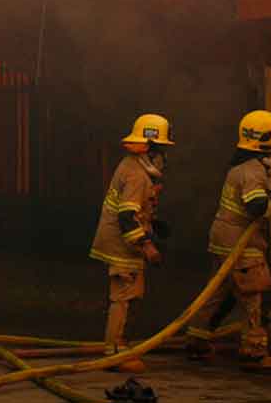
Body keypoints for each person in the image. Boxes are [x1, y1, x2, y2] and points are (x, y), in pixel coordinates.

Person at [186, 109, 271, 370]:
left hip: (224, 241)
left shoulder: (242, 168)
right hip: (243, 245)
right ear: (266, 140)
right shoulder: (253, 171)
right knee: (257, 295)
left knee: (221, 293)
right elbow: (256, 206)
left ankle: (197, 342)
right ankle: (254, 352)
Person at [89, 113, 173, 373]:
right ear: (149, 148)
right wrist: (147, 245)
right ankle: (115, 352)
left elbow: (135, 210)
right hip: (121, 245)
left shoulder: (132, 166)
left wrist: (153, 224)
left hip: (119, 241)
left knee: (128, 296)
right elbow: (126, 217)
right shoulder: (137, 174)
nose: (164, 158)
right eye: (160, 150)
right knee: (123, 297)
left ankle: (119, 347)